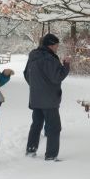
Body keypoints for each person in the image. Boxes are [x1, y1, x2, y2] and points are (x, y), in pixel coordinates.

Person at [24, 33, 70, 161]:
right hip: (49, 100)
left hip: (36, 98)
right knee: (54, 127)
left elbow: (26, 75)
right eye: (56, 45)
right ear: (51, 45)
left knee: (36, 124)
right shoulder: (49, 58)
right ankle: (51, 155)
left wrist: (36, 87)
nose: (57, 48)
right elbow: (57, 77)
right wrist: (65, 65)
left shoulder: (33, 56)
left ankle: (30, 150)